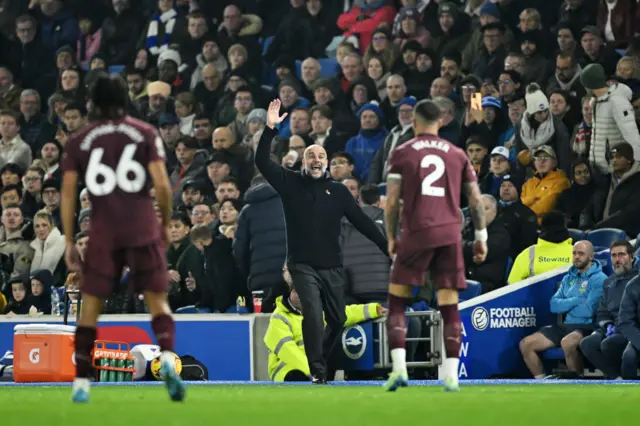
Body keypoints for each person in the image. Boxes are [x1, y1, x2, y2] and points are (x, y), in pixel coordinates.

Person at [60, 74, 185, 403]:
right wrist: (165, 223)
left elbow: (69, 194)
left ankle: (82, 380)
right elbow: (161, 184)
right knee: (157, 299)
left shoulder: (79, 140)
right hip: (141, 224)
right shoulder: (145, 132)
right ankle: (168, 359)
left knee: (90, 306)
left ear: (93, 102)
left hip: (103, 230)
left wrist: (71, 239)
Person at [254, 99, 388, 384]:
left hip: (332, 266)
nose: (316, 160)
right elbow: (262, 161)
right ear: (303, 161)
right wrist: (270, 129)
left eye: (321, 157)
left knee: (337, 319)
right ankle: (318, 371)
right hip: (302, 265)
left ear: (327, 164)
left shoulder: (339, 192)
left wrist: (388, 247)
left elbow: (362, 222)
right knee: (312, 313)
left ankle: (320, 361)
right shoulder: (289, 182)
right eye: (311, 156)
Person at [383, 99, 487, 392]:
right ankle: (452, 376)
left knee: (397, 301)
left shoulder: (402, 153)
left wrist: (392, 237)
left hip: (416, 232)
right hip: (450, 234)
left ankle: (400, 370)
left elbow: (391, 202)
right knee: (449, 304)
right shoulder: (457, 154)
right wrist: (480, 237)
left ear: (414, 123)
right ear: (440, 122)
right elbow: (477, 200)